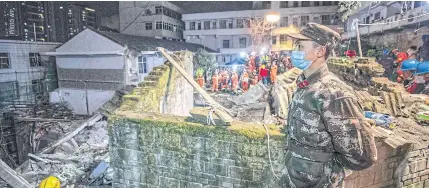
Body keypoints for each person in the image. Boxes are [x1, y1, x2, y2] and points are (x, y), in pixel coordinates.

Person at [282, 22, 377, 187]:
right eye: (295, 45)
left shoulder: (333, 93)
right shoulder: (305, 85)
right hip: (296, 180)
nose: (294, 51)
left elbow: (361, 155)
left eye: (300, 46)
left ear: (320, 51)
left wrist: (328, 167)